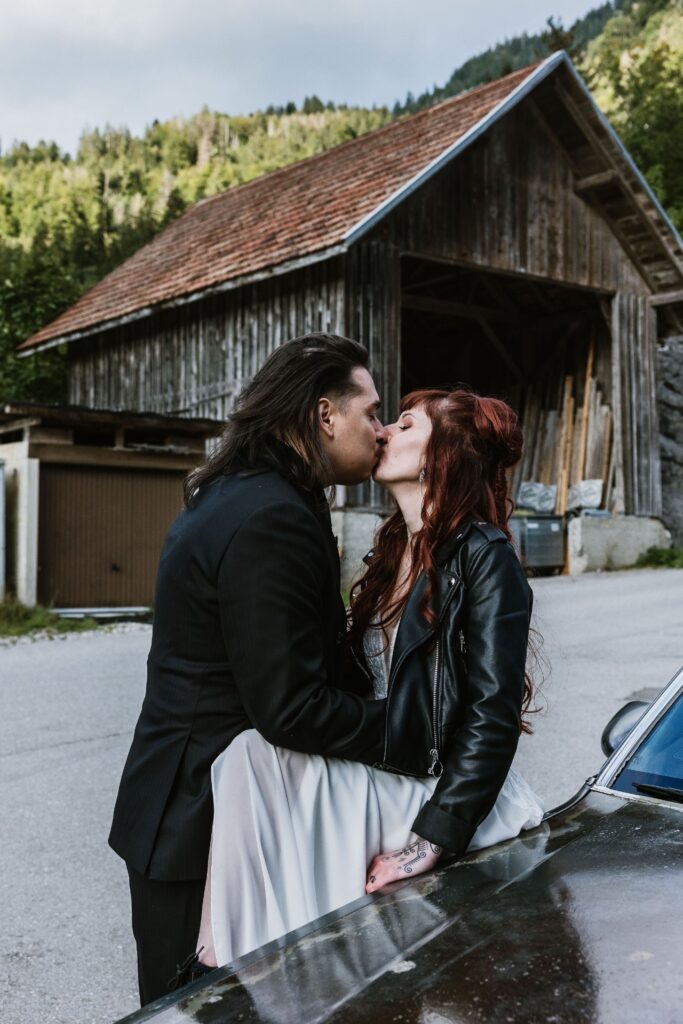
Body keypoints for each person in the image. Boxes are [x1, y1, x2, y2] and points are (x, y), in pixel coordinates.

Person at [196, 387, 544, 968]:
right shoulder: (390, 553)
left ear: (443, 455)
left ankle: (224, 969)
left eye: (404, 426)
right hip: (388, 764)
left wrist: (429, 841)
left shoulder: (485, 555)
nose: (382, 432)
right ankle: (219, 967)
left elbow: (492, 711)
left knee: (251, 757)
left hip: (443, 787)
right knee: (247, 755)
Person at [108, 333, 388, 1006]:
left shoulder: (248, 493)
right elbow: (288, 707)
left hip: (203, 808)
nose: (380, 432)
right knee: (200, 1012)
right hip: (199, 824)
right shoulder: (270, 515)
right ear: (324, 415)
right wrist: (416, 730)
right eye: (371, 413)